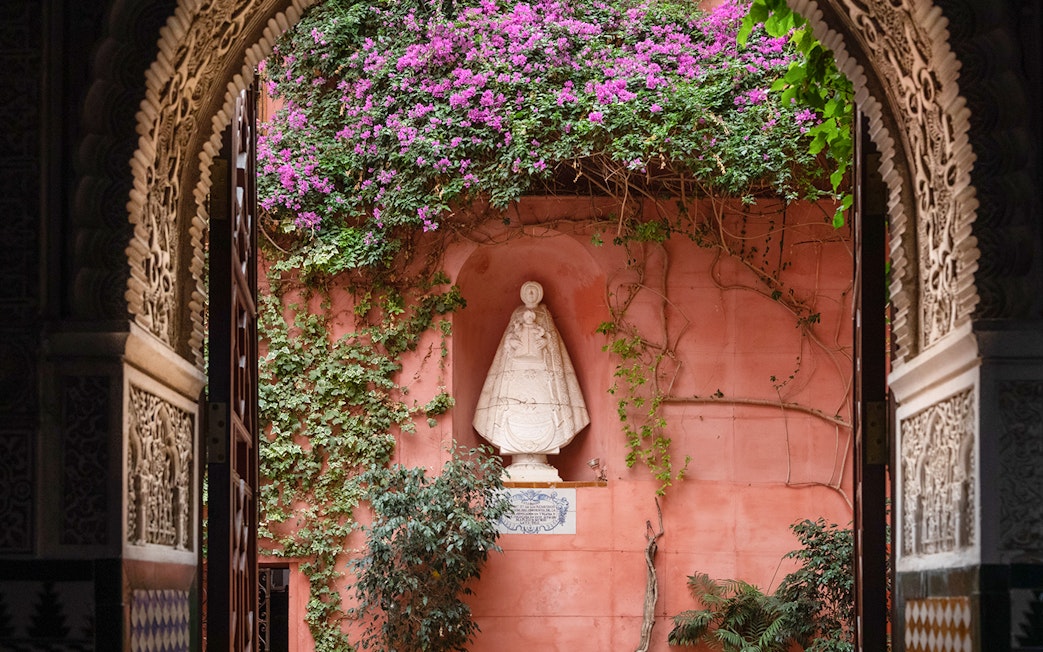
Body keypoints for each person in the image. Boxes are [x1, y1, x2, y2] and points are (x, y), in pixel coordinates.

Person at [473, 281, 589, 480]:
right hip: (514, 375)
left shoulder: (545, 317)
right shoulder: (516, 318)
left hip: (544, 376)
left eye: (535, 292)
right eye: (529, 292)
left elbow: (551, 347)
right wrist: (513, 343)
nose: (531, 296)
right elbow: (508, 346)